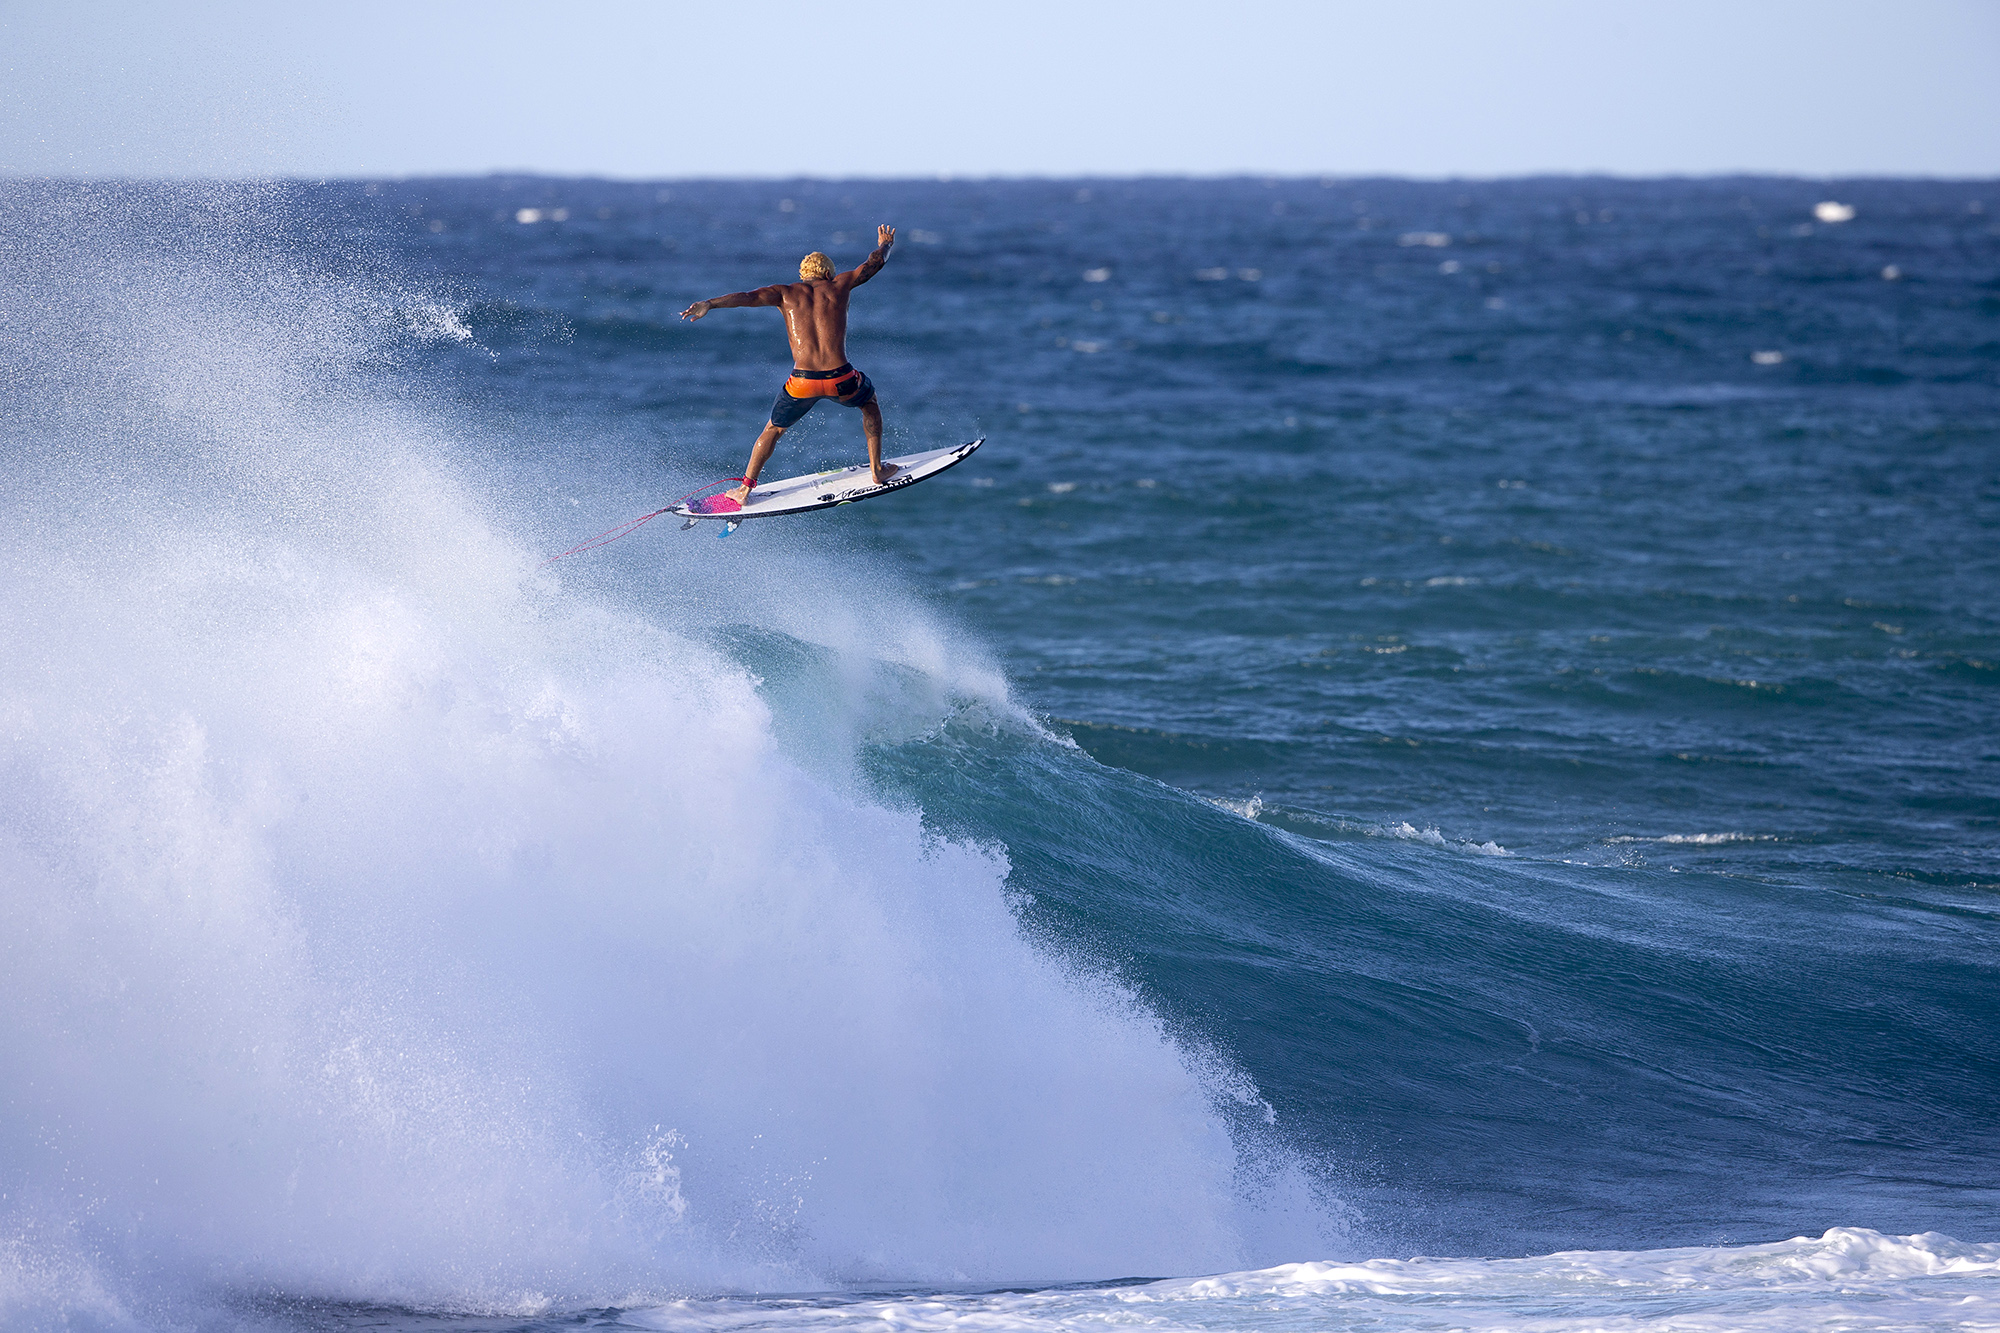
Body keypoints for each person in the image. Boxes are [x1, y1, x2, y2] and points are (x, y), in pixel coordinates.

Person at [680, 225, 898, 507]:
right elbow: (873, 264)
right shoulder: (840, 284)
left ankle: (745, 490)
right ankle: (876, 470)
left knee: (773, 430)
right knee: (870, 404)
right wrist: (885, 245)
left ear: (803, 275)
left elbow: (747, 297)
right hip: (840, 378)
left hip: (802, 382)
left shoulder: (784, 293)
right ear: (828, 273)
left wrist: (709, 303)